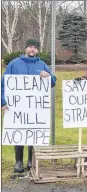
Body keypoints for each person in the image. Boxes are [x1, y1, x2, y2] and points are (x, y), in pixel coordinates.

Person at [1, 39, 57, 173]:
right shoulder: (14, 64)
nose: (32, 49)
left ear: (38, 50)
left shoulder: (42, 64)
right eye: (30, 47)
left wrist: (48, 76)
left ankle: (31, 160)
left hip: (35, 107)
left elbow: (53, 81)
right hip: (16, 107)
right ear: (26, 48)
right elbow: (3, 84)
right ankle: (18, 161)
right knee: (17, 131)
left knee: (33, 131)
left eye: (35, 47)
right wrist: (2, 102)